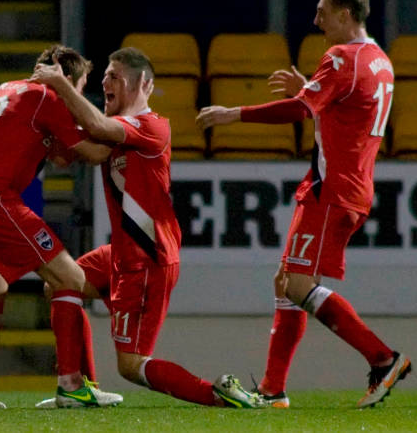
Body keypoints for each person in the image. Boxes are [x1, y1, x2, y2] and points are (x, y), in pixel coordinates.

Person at [196, 0, 411, 409]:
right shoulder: (379, 59)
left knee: (297, 285)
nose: (316, 21)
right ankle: (273, 390)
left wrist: (232, 114)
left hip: (332, 189)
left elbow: (300, 109)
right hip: (346, 186)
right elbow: (343, 109)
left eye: (323, 12)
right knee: (286, 280)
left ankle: (383, 358)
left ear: (345, 15)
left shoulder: (342, 56)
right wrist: (311, 87)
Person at [30, 47, 264, 409]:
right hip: (122, 253)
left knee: (130, 365)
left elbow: (96, 126)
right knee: (60, 283)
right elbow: (68, 151)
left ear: (143, 83)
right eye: (104, 76)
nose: (106, 82)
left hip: (147, 260)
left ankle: (218, 394)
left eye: (115, 76)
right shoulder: (114, 132)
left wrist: (61, 85)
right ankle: (81, 389)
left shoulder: (152, 127)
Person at [0, 44, 122, 409]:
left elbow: (57, 155)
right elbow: (91, 153)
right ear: (64, 79)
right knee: (70, 277)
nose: (77, 96)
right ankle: (71, 386)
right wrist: (129, 137)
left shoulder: (9, 88)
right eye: (79, 86)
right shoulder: (48, 97)